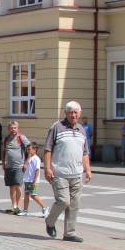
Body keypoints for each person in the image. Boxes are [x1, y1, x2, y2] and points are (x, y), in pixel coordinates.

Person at [44, 102, 92, 242]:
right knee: (63, 201)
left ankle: (69, 233)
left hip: (76, 174)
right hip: (59, 173)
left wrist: (87, 170)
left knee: (74, 204)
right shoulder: (57, 127)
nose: (73, 115)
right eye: (70, 112)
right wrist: (47, 168)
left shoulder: (82, 130)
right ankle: (50, 222)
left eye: (76, 112)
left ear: (80, 113)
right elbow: (48, 149)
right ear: (65, 113)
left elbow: (84, 152)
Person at [1, 121, 30, 215]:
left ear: (18, 128)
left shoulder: (21, 137)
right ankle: (14, 206)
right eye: (11, 128)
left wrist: (26, 163)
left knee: (17, 186)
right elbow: (4, 151)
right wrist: (3, 163)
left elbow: (30, 150)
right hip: (9, 166)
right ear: (8, 129)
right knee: (11, 187)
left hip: (19, 166)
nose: (13, 130)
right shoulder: (6, 139)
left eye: (15, 128)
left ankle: (18, 206)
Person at [21, 142, 47, 217]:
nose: (28, 151)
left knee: (33, 195)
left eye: (29, 149)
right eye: (27, 150)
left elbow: (37, 170)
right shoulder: (30, 158)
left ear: (35, 149)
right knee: (26, 194)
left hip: (33, 181)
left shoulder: (36, 159)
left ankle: (44, 207)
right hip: (28, 180)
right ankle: (25, 210)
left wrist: (34, 181)